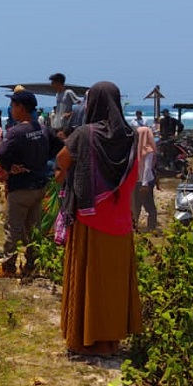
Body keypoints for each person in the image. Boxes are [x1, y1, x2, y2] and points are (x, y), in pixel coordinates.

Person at [56, 81, 142, 358]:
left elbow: (61, 160)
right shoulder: (132, 137)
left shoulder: (84, 133)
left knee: (89, 281)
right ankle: (110, 343)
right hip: (119, 221)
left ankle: (85, 340)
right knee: (113, 284)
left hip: (89, 219)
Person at [0, 89, 60, 277]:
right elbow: (58, 147)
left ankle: (8, 267)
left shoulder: (17, 131)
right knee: (33, 228)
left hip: (20, 187)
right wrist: (42, 163)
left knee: (13, 228)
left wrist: (9, 168)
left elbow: (2, 153)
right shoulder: (43, 129)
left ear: (21, 108)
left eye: (13, 106)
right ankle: (31, 264)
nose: (11, 110)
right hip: (39, 185)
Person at [131, 126, 158, 232]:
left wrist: (143, 183)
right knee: (149, 206)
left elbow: (145, 168)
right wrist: (145, 184)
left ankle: (136, 227)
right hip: (145, 182)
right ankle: (150, 228)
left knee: (137, 206)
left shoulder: (135, 149)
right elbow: (148, 168)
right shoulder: (147, 150)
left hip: (138, 182)